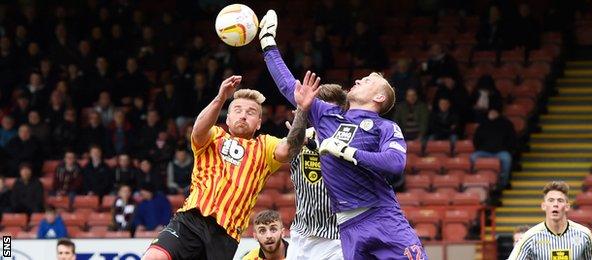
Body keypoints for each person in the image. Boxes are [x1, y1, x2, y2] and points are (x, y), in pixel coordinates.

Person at [260, 10, 428, 259]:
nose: (360, 78)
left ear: (379, 98)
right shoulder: (328, 115)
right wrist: (267, 43)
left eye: (369, 80)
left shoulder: (386, 127)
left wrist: (347, 152)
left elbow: (395, 164)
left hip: (381, 216)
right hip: (347, 227)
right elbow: (288, 86)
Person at [143, 74, 312, 259]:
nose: (243, 115)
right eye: (237, 110)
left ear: (258, 123)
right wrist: (221, 97)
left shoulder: (265, 145)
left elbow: (288, 149)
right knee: (153, 257)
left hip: (225, 236)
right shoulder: (214, 135)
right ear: (228, 118)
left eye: (251, 112)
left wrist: (302, 111)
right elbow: (198, 131)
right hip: (190, 220)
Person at [287, 84, 346, 260]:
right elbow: (285, 151)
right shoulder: (300, 134)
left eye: (331, 110)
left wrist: (311, 144)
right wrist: (298, 127)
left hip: (336, 236)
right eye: (321, 109)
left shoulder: (349, 136)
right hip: (301, 233)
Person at [508, 181, 592, 260]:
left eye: (560, 200)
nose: (555, 204)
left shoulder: (584, 234)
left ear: (567, 206)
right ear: (543, 206)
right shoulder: (530, 237)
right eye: (551, 200)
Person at [471, 109, 515, 190]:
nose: (492, 114)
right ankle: (475, 179)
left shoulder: (506, 124)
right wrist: (480, 148)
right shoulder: (483, 124)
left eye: (494, 112)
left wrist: (505, 148)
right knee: (473, 157)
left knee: (507, 158)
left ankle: (503, 183)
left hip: (500, 151)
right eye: (491, 112)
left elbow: (512, 139)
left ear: (498, 113)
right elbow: (476, 139)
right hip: (483, 151)